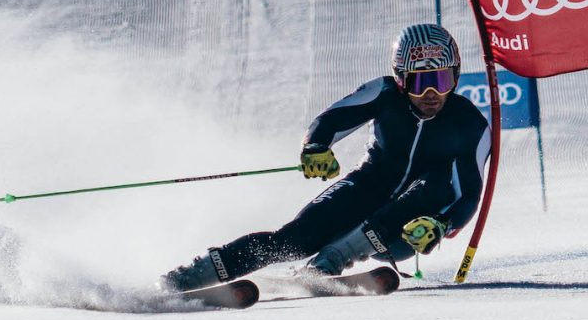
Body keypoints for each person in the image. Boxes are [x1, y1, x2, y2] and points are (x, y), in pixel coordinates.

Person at [161, 23, 492, 291]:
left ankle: (331, 260)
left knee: (436, 180)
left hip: (406, 227)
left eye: (442, 80)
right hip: (367, 187)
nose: (431, 94)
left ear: (456, 76)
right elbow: (331, 120)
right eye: (420, 83)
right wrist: (316, 147)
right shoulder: (385, 93)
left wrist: (442, 223)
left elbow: (469, 194)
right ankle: (194, 275)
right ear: (401, 79)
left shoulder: (471, 124)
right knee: (293, 239)